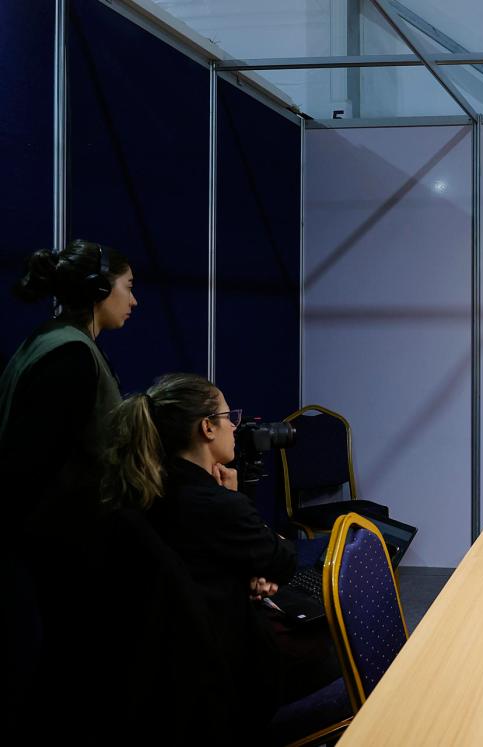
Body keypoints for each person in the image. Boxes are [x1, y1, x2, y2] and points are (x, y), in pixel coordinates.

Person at [102, 373, 299, 733]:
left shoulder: (147, 490)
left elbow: (205, 565)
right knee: (331, 649)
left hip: (166, 678)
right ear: (207, 427)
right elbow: (284, 561)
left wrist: (246, 570)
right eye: (229, 417)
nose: (235, 427)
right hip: (227, 680)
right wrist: (237, 504)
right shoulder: (216, 505)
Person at [0, 239, 137, 523]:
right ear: (99, 288)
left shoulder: (50, 340)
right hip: (54, 536)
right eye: (128, 286)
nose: (133, 300)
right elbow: (36, 462)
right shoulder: (71, 355)